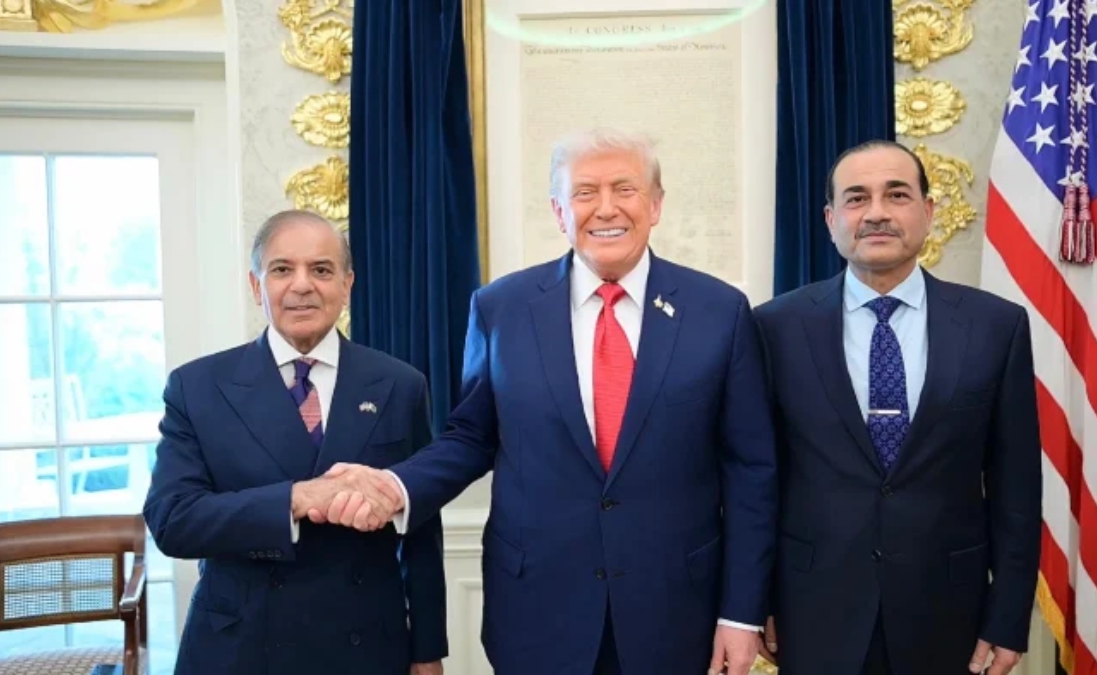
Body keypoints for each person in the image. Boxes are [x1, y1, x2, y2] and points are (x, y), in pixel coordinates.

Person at [325, 127, 777, 674]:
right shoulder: (500, 308)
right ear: (560, 212)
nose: (605, 208)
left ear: (655, 205)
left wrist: (741, 614)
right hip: (537, 610)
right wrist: (394, 487)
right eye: (584, 192)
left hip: (677, 613)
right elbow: (471, 437)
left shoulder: (720, 312)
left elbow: (751, 471)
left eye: (625, 189)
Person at [753, 140, 1042, 675]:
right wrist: (757, 601)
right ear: (831, 219)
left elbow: (1017, 489)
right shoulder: (773, 328)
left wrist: (1008, 617)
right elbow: (758, 480)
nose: (877, 213)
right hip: (812, 610)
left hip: (948, 613)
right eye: (856, 198)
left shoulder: (995, 327)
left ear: (928, 212)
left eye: (897, 195)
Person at [143, 210, 447, 675]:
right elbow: (172, 520)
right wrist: (298, 499)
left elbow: (421, 529)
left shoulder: (400, 384)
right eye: (282, 269)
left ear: (347, 284)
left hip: (367, 647)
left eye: (321, 270)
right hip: (242, 648)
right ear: (256, 285)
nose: (302, 285)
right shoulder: (197, 386)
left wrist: (427, 651)